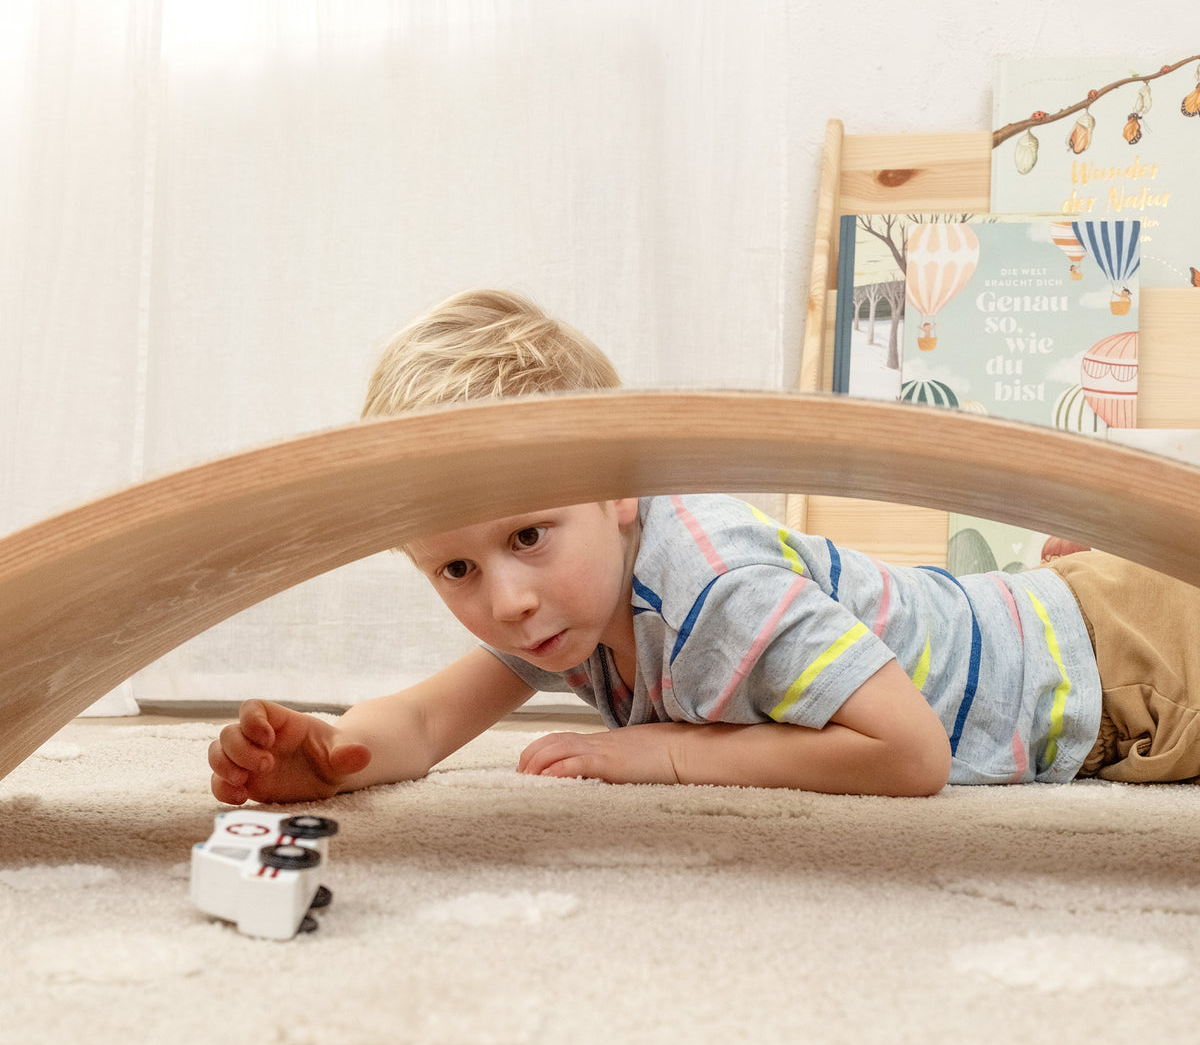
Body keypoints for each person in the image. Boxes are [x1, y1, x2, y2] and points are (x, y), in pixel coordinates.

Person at [207, 289, 1200, 805]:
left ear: (619, 491)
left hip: (1123, 663)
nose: (504, 598)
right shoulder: (565, 596)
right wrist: (332, 755)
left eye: (525, 537)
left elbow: (910, 754)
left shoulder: (715, 588)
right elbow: (424, 725)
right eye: (456, 569)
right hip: (1074, 619)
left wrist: (676, 754)